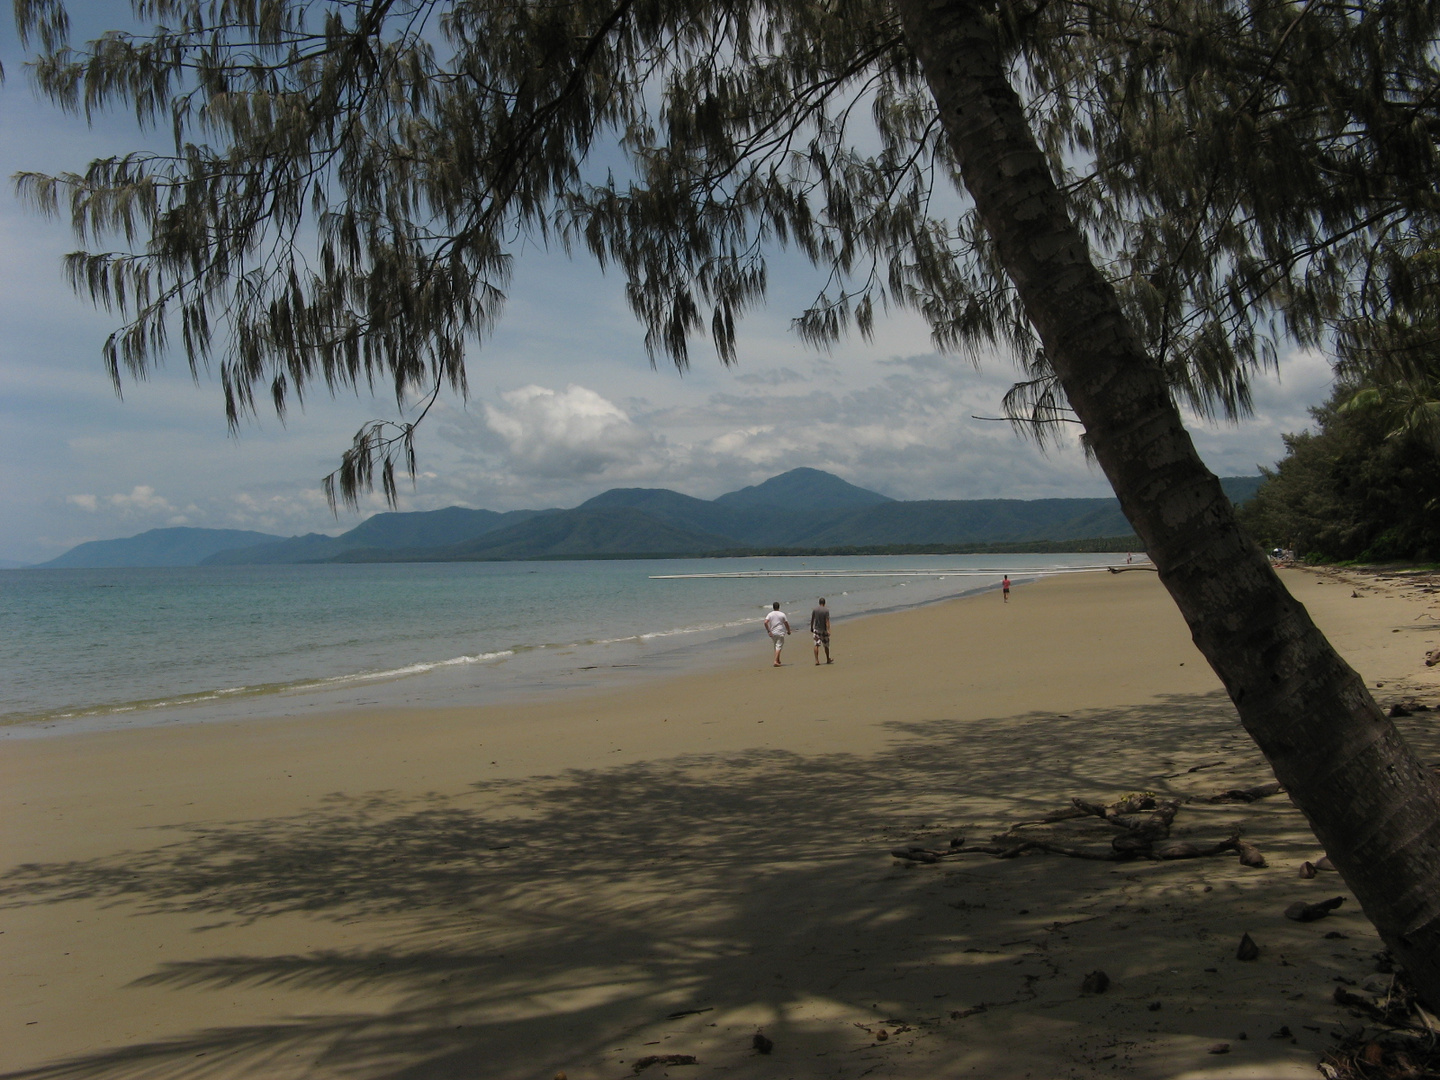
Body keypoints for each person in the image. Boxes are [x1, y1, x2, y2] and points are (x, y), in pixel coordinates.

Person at [763, 601, 791, 667]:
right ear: (779, 607)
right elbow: (786, 623)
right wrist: (788, 631)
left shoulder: (770, 614)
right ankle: (775, 661)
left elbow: (765, 622)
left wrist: (768, 631)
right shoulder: (782, 614)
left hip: (773, 632)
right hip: (780, 631)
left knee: (776, 646)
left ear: (773, 607)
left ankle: (778, 660)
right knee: (779, 646)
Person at [810, 597, 833, 665]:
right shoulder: (826, 610)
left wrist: (811, 627)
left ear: (819, 603)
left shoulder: (815, 609)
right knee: (826, 645)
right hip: (824, 629)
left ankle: (817, 660)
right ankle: (828, 658)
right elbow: (827, 621)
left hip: (816, 629)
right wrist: (828, 630)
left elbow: (812, 619)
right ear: (824, 603)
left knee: (816, 644)